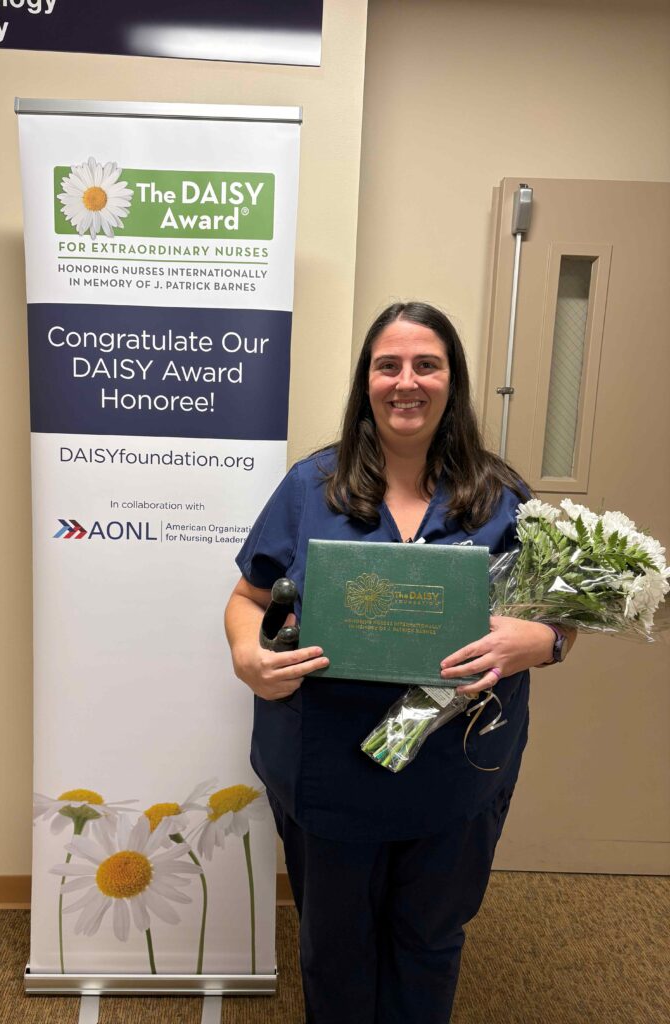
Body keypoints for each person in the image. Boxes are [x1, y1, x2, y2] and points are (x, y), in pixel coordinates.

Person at [224, 302, 574, 1024]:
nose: (406, 382)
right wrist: (246, 656)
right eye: (389, 365)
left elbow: (564, 616)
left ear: (453, 382)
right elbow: (246, 596)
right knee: (334, 945)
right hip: (328, 766)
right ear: (367, 380)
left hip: (457, 769)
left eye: (427, 364)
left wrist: (539, 642)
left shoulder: (504, 499)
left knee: (429, 939)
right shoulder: (309, 488)